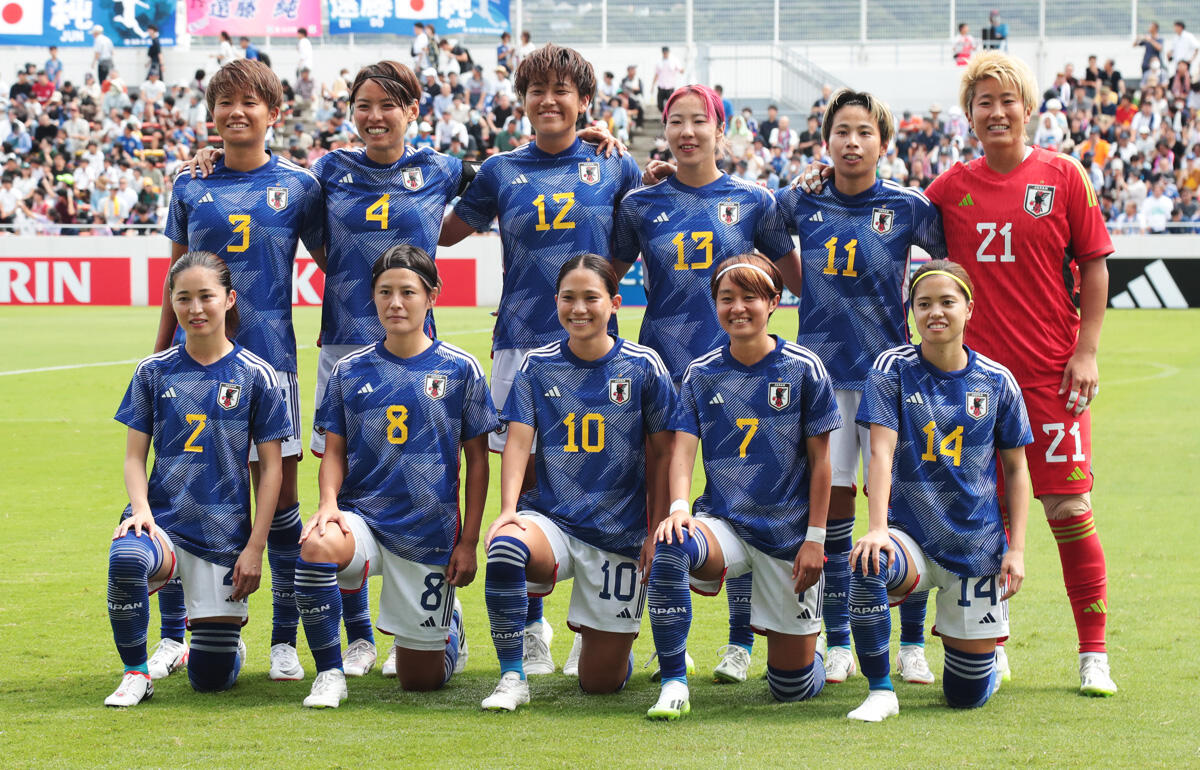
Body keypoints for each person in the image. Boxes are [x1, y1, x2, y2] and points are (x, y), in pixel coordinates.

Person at [441, 44, 641, 675]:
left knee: (606, 469)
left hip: (597, 350)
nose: (548, 100)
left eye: (562, 90)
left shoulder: (614, 165)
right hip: (520, 345)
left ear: (586, 101)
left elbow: (636, 240)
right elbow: (445, 228)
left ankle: (592, 615)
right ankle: (531, 627)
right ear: (521, 101)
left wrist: (594, 304)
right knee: (523, 482)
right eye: (535, 90)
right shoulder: (501, 169)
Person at [614, 85, 801, 684]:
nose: (687, 131)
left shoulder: (752, 199)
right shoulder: (641, 204)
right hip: (660, 367)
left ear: (722, 129)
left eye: (700, 121)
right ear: (663, 130)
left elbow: (791, 274)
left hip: (736, 372)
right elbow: (603, 273)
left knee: (739, 498)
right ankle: (660, 635)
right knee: (654, 504)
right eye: (676, 121)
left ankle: (741, 641)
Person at [157, 59, 326, 684]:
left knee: (279, 504)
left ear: (273, 114)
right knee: (186, 495)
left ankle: (284, 640)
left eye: (250, 102)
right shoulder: (189, 185)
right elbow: (173, 280)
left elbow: (340, 261)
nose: (237, 112)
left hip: (272, 363)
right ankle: (177, 634)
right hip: (194, 369)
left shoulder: (302, 187)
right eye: (225, 102)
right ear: (211, 115)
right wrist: (160, 355)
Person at [775, 88, 948, 686]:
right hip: (821, 375)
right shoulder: (801, 200)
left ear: (883, 141)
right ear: (826, 141)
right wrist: (805, 283)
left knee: (898, 506)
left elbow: (948, 263)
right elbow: (759, 228)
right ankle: (842, 635)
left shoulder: (907, 207)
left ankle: (912, 642)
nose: (852, 142)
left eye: (864, 132)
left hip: (890, 376)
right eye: (842, 131)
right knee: (835, 505)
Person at [295, 245, 495, 708]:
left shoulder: (460, 368)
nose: (395, 303)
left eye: (408, 291)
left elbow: (479, 463)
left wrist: (467, 541)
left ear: (432, 297)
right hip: (364, 519)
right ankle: (330, 673)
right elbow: (333, 451)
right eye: (385, 292)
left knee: (418, 683)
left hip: (428, 532)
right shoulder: (349, 369)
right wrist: (328, 505)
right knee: (316, 544)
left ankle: (449, 629)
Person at [645, 254, 840, 720]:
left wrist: (816, 539)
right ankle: (673, 681)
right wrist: (676, 507)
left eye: (749, 297)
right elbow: (682, 451)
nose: (737, 308)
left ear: (774, 302)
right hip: (724, 524)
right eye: (726, 298)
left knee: (791, 689)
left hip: (789, 536)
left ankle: (814, 651)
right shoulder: (700, 373)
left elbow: (822, 464)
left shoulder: (805, 368)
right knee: (672, 543)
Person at [479, 254, 676, 711]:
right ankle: (513, 675)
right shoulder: (536, 365)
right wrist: (508, 510)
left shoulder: (644, 366)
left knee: (599, 684)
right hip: (554, 523)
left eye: (591, 298)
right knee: (508, 545)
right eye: (569, 298)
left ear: (615, 303)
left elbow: (665, 454)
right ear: (556, 303)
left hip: (620, 536)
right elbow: (517, 443)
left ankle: (606, 644)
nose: (579, 308)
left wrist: (655, 528)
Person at [845, 260, 1032, 721]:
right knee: (868, 563)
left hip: (975, 545)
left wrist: (1018, 550)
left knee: (964, 697)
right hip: (909, 536)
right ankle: (881, 690)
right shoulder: (892, 368)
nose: (935, 313)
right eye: (923, 303)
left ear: (969, 308)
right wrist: (876, 529)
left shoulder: (996, 380)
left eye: (948, 302)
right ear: (911, 311)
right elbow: (881, 453)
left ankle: (984, 659)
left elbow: (1016, 469)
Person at [105, 251, 290, 707]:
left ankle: (223, 645)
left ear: (228, 299)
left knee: (210, 680)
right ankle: (136, 673)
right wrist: (142, 510)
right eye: (183, 298)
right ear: (172, 303)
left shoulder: (257, 375)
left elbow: (271, 470)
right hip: (162, 522)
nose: (195, 309)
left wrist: (255, 547)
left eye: (206, 296)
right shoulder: (153, 371)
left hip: (223, 537)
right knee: (127, 558)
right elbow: (134, 457)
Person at [652, 46, 684, 114]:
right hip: (661, 86)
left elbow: (680, 69)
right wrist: (652, 85)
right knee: (660, 105)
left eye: (666, 52)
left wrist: (682, 70)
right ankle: (664, 115)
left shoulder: (674, 61)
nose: (665, 54)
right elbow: (656, 74)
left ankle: (669, 116)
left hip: (670, 87)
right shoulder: (659, 62)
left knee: (671, 105)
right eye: (664, 52)